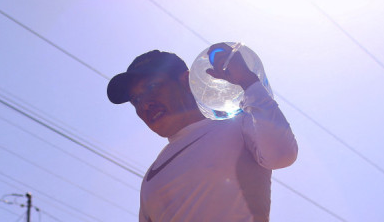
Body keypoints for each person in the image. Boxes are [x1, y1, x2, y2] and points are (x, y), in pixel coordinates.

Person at [107, 44, 298, 222]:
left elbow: (282, 154)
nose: (144, 104)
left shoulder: (240, 125)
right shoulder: (151, 176)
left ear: (186, 81)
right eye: (136, 99)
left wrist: (248, 81)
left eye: (152, 87)